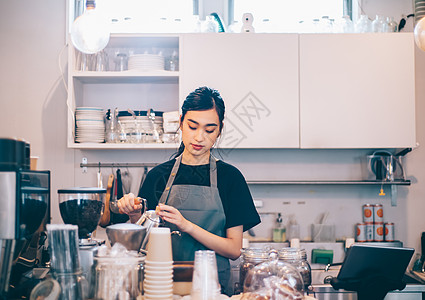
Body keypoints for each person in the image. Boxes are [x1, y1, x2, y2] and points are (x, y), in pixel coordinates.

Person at [117, 86, 261, 294]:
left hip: (212, 291)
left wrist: (187, 225)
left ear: (219, 130)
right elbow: (143, 241)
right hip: (162, 288)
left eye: (209, 130)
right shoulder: (159, 176)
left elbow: (234, 249)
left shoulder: (230, 178)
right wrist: (134, 215)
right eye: (192, 127)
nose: (199, 137)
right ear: (181, 123)